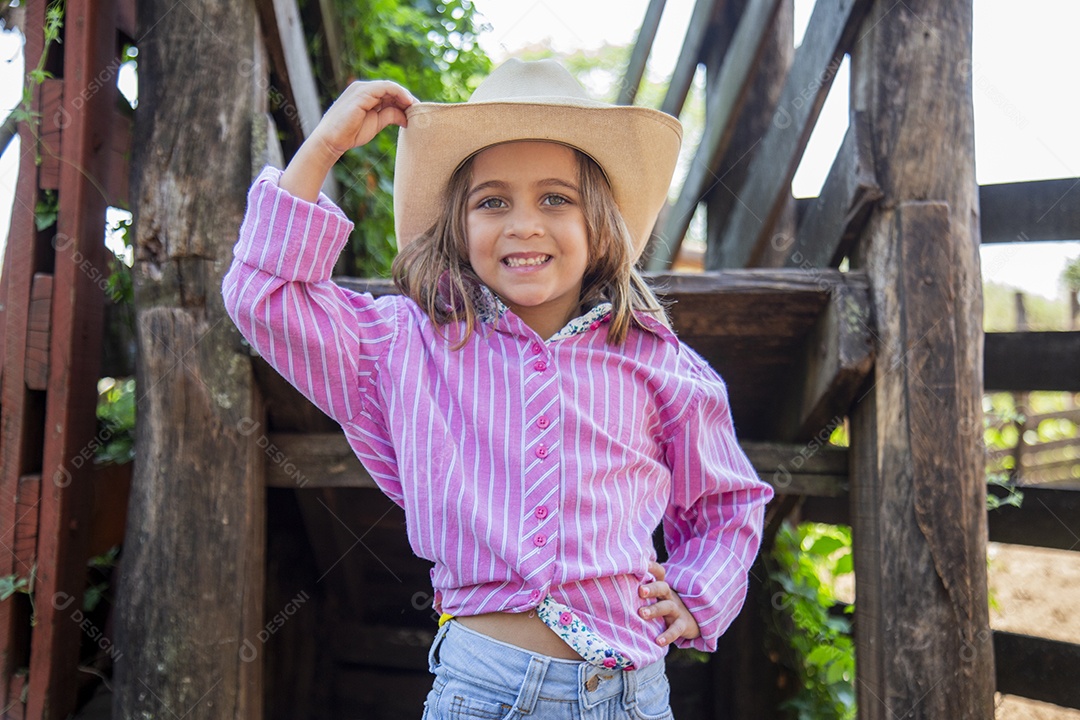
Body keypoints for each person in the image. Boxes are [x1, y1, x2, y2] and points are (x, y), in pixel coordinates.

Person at [223, 58, 773, 719]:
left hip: (630, 697)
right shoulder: (406, 345)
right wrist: (325, 146)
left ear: (601, 224)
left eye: (555, 198)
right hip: (482, 692)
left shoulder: (659, 363)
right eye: (492, 202)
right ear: (458, 226)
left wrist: (697, 591)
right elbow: (265, 296)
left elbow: (728, 502)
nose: (523, 224)